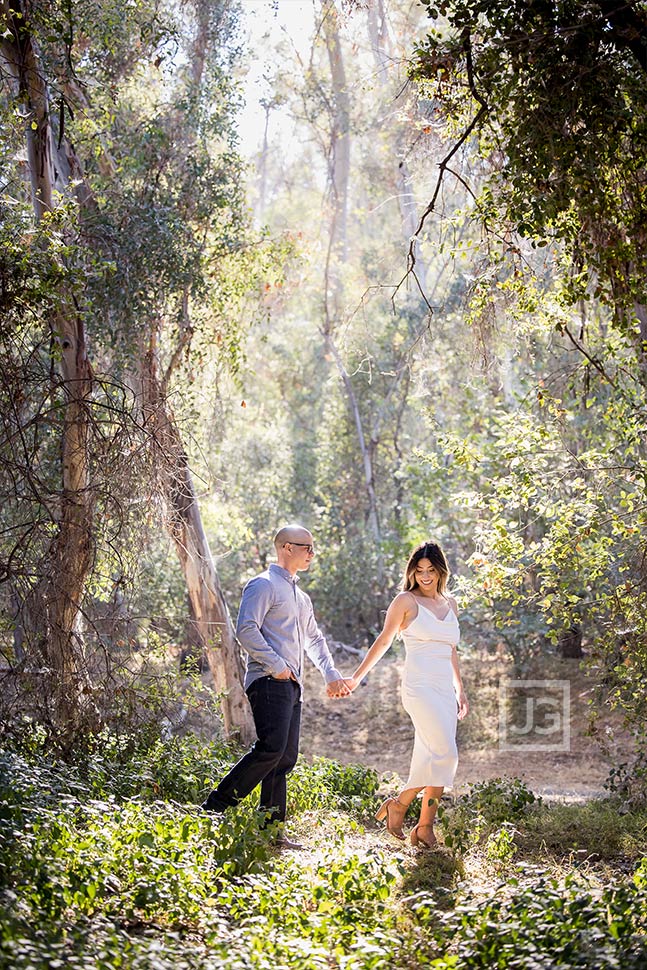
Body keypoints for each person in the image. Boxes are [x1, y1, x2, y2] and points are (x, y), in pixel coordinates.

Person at [202, 525, 350, 847]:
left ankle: (271, 833)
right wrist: (278, 666)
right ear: (285, 547)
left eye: (313, 548)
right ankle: (212, 810)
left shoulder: (301, 596)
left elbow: (313, 639)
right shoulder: (263, 585)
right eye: (306, 547)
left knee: (283, 758)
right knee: (270, 749)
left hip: (291, 685)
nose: (312, 553)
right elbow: (246, 630)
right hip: (268, 680)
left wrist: (331, 673)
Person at [345, 541, 469, 848]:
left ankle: (412, 818)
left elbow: (450, 649)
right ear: (412, 572)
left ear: (441, 571)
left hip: (443, 689)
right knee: (446, 754)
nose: (425, 576)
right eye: (419, 570)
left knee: (430, 756)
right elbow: (384, 640)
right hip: (419, 687)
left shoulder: (450, 603)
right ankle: (409, 813)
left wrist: (460, 689)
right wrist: (357, 677)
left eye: (431, 570)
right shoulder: (405, 601)